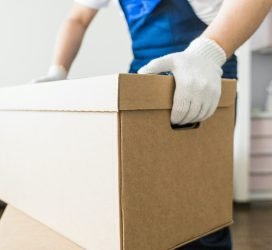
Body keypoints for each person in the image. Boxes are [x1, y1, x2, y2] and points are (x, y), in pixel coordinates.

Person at [33, 0, 272, 249]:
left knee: (202, 185)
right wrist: (57, 70)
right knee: (144, 185)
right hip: (144, 75)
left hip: (207, 69)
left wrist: (206, 53)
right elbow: (78, 18)